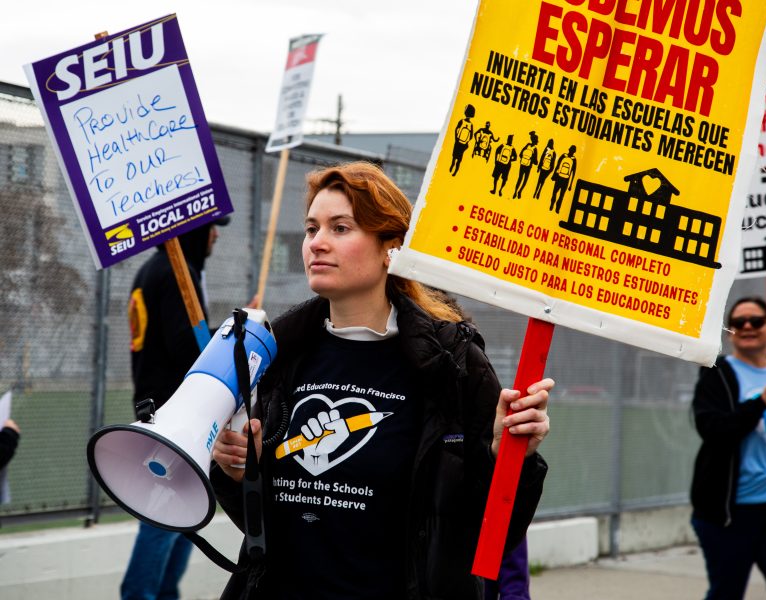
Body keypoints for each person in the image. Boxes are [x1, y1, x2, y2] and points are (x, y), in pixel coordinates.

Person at [211, 162, 553, 600]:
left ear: (390, 247)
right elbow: (259, 523)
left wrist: (507, 457)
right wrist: (240, 470)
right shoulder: (281, 351)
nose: (317, 243)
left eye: (340, 228)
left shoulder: (453, 361)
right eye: (312, 228)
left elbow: (488, 534)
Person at [121, 219, 226, 600]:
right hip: (175, 420)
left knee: (183, 514)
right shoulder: (174, 274)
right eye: (213, 226)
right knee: (164, 513)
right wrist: (229, 340)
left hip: (161, 410)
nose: (216, 233)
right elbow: (188, 350)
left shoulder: (154, 269)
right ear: (194, 230)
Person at [690, 296, 766, 600]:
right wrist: (758, 404)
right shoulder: (718, 374)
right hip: (731, 513)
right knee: (726, 592)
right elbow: (712, 430)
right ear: (730, 332)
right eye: (739, 323)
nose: (748, 327)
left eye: (757, 321)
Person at [549, 144, 577, 213]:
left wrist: (571, 184)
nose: (571, 151)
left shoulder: (570, 158)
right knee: (556, 194)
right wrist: (554, 175)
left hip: (563, 179)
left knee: (559, 195)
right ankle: (553, 205)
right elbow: (558, 166)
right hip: (561, 178)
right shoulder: (567, 157)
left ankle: (557, 208)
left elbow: (573, 173)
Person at [450, 104, 475, 176]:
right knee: (459, 159)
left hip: (458, 142)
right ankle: (455, 171)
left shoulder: (461, 121)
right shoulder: (471, 125)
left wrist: (456, 139)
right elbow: (471, 136)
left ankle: (452, 165)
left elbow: (456, 130)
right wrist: (466, 141)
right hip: (463, 144)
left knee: (454, 156)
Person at [512, 131, 539, 200]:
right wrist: (532, 160)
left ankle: (515, 191)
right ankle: (520, 192)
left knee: (519, 178)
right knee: (525, 180)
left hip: (522, 164)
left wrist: (524, 158)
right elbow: (535, 162)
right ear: (535, 141)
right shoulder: (535, 149)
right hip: (528, 166)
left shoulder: (527, 145)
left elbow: (520, 154)